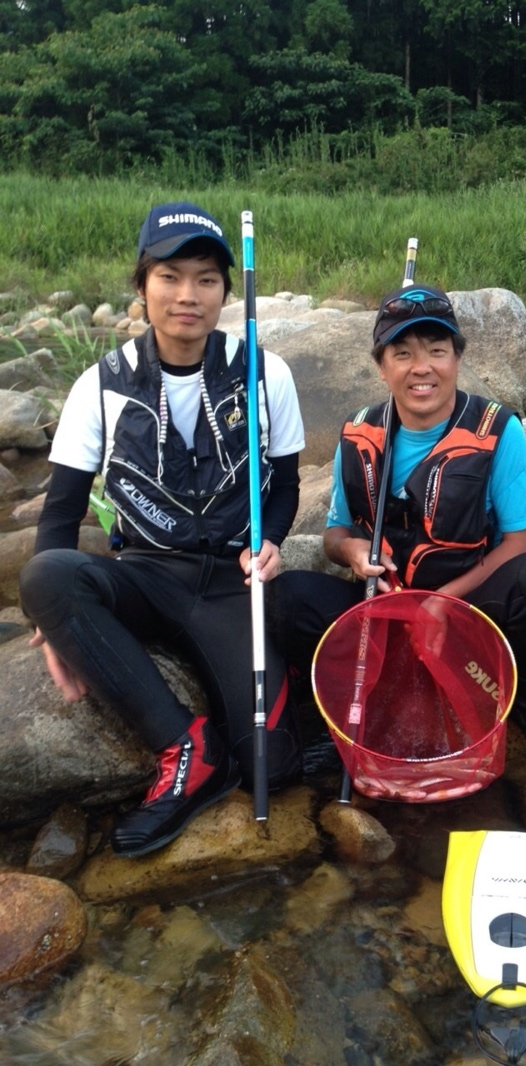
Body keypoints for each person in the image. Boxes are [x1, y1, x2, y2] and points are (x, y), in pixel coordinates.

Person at [19, 201, 305, 857]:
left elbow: (285, 487)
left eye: (206, 279)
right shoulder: (101, 386)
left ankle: (256, 736)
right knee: (45, 576)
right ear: (142, 284)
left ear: (225, 292)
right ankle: (183, 747)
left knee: (274, 769)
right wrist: (56, 626)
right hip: (147, 574)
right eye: (170, 276)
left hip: (233, 584)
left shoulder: (266, 373)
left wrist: (273, 541)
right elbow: (61, 513)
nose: (188, 295)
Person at [266, 284, 526, 762]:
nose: (421, 368)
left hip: (467, 604)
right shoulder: (357, 433)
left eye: (437, 351)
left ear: (457, 358)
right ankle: (335, 709)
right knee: (285, 601)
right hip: (384, 607)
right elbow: (335, 534)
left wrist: (444, 604)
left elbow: (522, 541)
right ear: (381, 365)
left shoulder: (497, 429)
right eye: (403, 353)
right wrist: (351, 552)